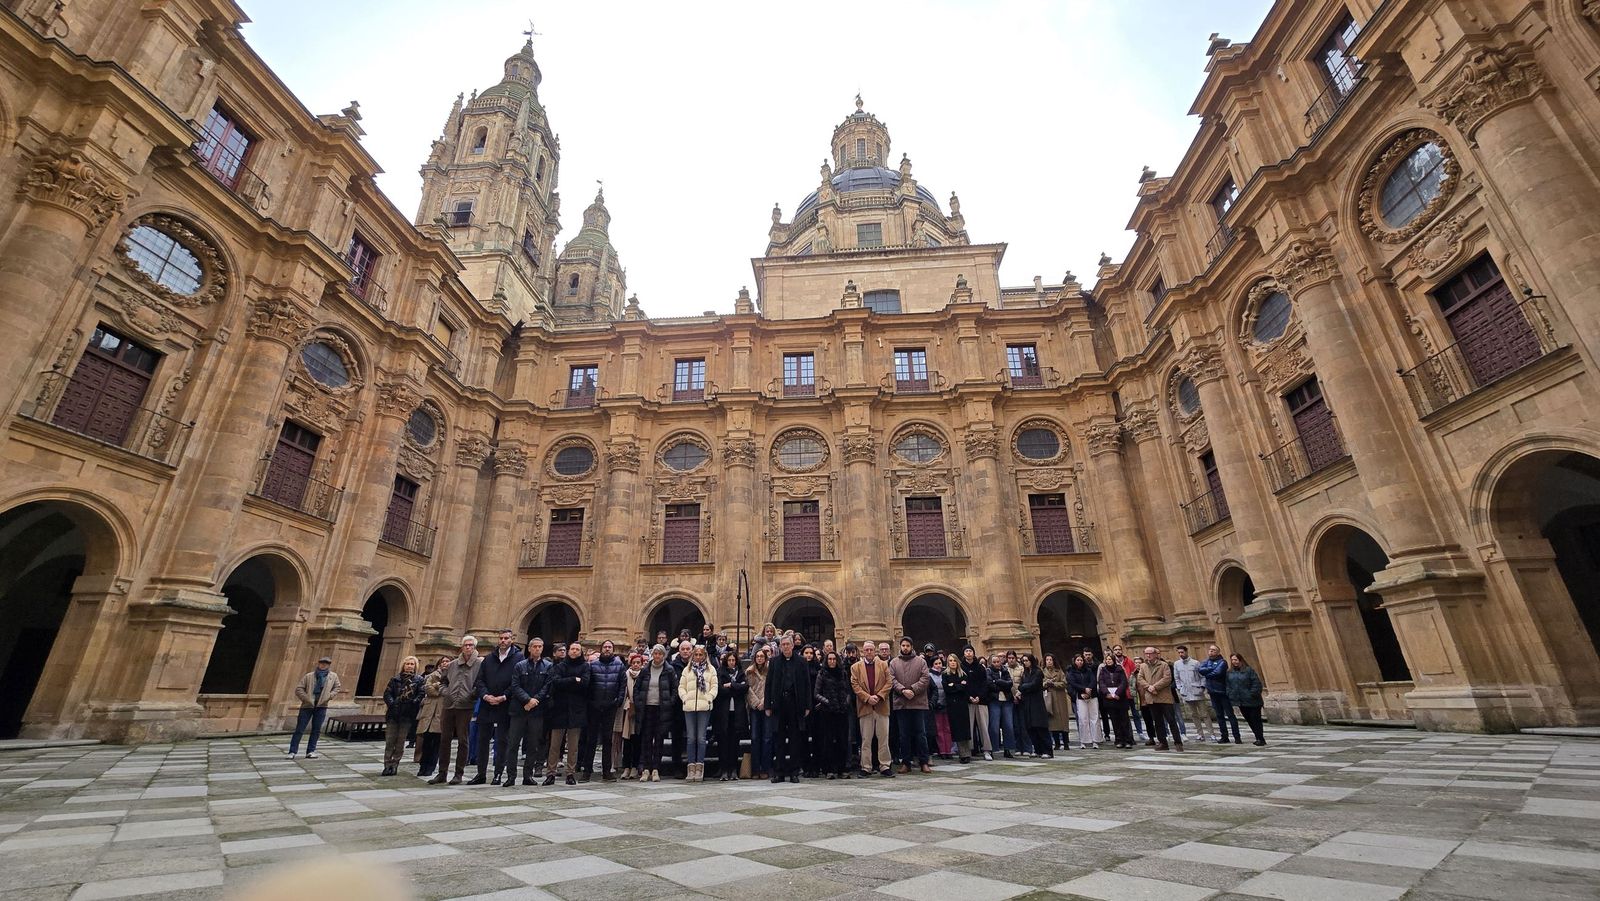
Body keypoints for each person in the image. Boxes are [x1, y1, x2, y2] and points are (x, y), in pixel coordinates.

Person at [470, 630, 524, 785]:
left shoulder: (519, 658)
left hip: (505, 704)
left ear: (512, 640)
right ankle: (480, 773)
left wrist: (504, 696)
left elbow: (517, 681)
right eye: (500, 638)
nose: (503, 641)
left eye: (506, 638)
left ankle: (498, 773)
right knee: (482, 740)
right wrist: (486, 696)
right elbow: (480, 680)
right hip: (487, 704)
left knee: (502, 741)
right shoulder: (488, 658)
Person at [430, 636, 482, 784]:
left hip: (466, 706)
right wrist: (445, 692)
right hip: (449, 704)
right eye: (465, 645)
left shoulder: (479, 664)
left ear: (474, 647)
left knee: (463, 740)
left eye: (471, 645)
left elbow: (480, 683)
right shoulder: (452, 665)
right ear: (461, 647)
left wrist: (472, 695)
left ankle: (459, 773)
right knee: (444, 739)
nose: (468, 647)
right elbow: (443, 682)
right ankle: (442, 773)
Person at [765, 634, 813, 783]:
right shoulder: (774, 662)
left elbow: (807, 684)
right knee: (778, 739)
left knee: (795, 739)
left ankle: (793, 772)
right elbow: (769, 684)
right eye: (783, 644)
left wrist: (807, 705)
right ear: (780, 646)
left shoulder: (801, 661)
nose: (785, 647)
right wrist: (767, 705)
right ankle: (779, 772)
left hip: (795, 704)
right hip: (778, 705)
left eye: (788, 644)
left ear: (792, 646)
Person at [576, 639, 626, 783]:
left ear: (613, 649)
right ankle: (587, 771)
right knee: (591, 739)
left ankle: (606, 772)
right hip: (594, 706)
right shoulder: (593, 665)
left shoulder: (619, 665)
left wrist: (618, 700)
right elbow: (588, 685)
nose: (607, 649)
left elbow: (622, 685)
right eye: (605, 647)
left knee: (607, 740)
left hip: (610, 706)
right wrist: (590, 701)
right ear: (601, 649)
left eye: (610, 647)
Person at [543, 641, 590, 785]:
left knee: (573, 746)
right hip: (559, 709)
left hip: (576, 710)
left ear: (581, 652)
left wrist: (568, 683)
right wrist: (573, 680)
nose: (574, 651)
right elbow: (556, 682)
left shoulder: (585, 667)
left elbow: (585, 684)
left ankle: (570, 773)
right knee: (555, 745)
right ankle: (550, 773)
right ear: (568, 651)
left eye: (577, 649)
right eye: (572, 649)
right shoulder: (560, 666)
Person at [506, 642, 553, 785]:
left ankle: (528, 775)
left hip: (537, 711)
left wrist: (534, 701)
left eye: (540, 647)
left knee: (533, 745)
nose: (537, 649)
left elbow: (547, 686)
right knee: (513, 744)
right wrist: (527, 700)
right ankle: (511, 776)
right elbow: (515, 685)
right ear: (530, 648)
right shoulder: (520, 666)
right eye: (535, 646)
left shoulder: (548, 666)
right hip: (519, 710)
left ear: (543, 648)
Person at [889, 638, 932, 774]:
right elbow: (891, 679)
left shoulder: (921, 661)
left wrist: (913, 690)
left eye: (907, 645)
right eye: (903, 645)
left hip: (918, 702)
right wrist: (902, 690)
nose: (905, 648)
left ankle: (923, 762)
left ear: (912, 646)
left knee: (921, 734)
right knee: (903, 735)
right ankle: (906, 762)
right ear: (900, 646)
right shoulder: (894, 662)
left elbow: (925, 678)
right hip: (902, 703)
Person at [849, 640, 891, 777]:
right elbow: (855, 685)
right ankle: (866, 766)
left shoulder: (884, 665)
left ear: (875, 651)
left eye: (871, 650)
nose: (869, 652)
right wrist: (867, 697)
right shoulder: (855, 667)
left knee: (883, 738)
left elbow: (889, 682)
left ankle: (885, 765)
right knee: (866, 739)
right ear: (862, 652)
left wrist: (879, 696)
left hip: (881, 706)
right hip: (865, 707)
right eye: (866, 650)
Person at [634, 644, 675, 782]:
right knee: (646, 739)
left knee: (659, 739)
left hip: (661, 709)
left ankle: (656, 769)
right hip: (646, 708)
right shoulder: (645, 670)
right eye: (655, 654)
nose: (657, 656)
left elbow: (674, 688)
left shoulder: (669, 670)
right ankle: (646, 769)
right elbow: (637, 688)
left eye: (660, 654)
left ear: (663, 655)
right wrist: (639, 702)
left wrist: (670, 702)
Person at [287, 656, 342, 760]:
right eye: (322, 663)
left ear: (329, 665)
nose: (323, 665)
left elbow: (337, 687)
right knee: (299, 729)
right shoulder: (309, 676)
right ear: (318, 663)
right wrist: (306, 698)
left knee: (316, 730)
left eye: (326, 663)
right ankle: (292, 751)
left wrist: (329, 696)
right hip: (307, 706)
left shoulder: (333, 676)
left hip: (321, 706)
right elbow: (299, 689)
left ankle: (311, 751)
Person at [677, 644, 718, 782]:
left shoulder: (711, 669)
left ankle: (700, 766)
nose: (698, 657)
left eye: (701, 655)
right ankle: (691, 767)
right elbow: (681, 687)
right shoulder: (687, 670)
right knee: (691, 738)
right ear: (693, 656)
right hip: (689, 707)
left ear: (705, 656)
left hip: (704, 707)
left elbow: (714, 687)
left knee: (701, 738)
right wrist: (684, 698)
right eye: (696, 654)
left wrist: (709, 698)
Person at [811, 649, 852, 779]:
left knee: (842, 740)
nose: (832, 661)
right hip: (827, 712)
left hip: (842, 711)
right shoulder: (822, 674)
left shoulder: (843, 673)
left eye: (834, 659)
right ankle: (829, 769)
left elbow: (848, 691)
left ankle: (842, 769)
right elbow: (816, 693)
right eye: (829, 659)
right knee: (828, 741)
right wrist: (828, 702)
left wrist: (845, 702)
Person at [380, 656, 424, 776]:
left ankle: (395, 765)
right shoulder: (395, 679)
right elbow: (387, 693)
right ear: (403, 665)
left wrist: (413, 702)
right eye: (407, 664)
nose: (409, 666)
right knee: (389, 741)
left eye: (412, 664)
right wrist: (392, 703)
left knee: (400, 742)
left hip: (407, 715)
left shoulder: (419, 680)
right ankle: (386, 765)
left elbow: (421, 694)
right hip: (393, 714)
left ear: (415, 666)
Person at [1136, 646, 1183, 751]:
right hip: (1151, 697)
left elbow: (1167, 678)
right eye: (1146, 653)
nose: (1148, 655)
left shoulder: (1164, 665)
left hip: (1164, 697)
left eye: (1150, 653)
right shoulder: (1143, 666)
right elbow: (1140, 678)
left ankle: (1178, 742)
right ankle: (1162, 742)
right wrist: (1148, 687)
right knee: (1157, 721)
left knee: (1171, 720)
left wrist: (1155, 687)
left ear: (1155, 654)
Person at [710, 649, 747, 781]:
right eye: (729, 660)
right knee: (723, 742)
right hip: (723, 713)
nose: (732, 662)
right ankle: (724, 769)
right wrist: (736, 687)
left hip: (737, 713)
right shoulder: (720, 672)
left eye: (733, 660)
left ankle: (733, 770)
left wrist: (731, 685)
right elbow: (719, 689)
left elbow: (745, 688)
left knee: (734, 743)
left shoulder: (741, 673)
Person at [1171, 645, 1212, 743]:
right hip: (1186, 692)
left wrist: (1202, 687)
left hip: (1197, 690)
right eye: (1179, 652)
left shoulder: (1195, 663)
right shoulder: (1177, 664)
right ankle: (1200, 733)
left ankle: (1211, 734)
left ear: (1186, 652)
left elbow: (1202, 676)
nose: (1181, 654)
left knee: (1204, 714)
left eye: (1182, 652)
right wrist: (1180, 688)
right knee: (1194, 714)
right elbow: (1177, 678)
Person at [415, 657, 448, 777]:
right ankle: (423, 766)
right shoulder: (431, 675)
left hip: (441, 711)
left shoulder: (451, 676)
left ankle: (431, 767)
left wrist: (436, 687)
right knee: (426, 740)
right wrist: (440, 686)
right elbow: (428, 690)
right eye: (443, 661)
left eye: (447, 661)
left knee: (437, 742)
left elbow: (448, 691)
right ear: (439, 664)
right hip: (429, 711)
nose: (445, 663)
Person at [1198, 644, 1238, 743]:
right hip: (1212, 692)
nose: (1211, 651)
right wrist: (1210, 671)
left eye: (1213, 650)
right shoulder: (1206, 662)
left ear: (1218, 652)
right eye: (1210, 650)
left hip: (1222, 691)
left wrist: (1207, 673)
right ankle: (1224, 736)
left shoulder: (1222, 662)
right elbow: (1200, 670)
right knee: (1219, 715)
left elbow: (1218, 673)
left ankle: (1237, 736)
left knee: (1230, 715)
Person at [1016, 653, 1052, 758]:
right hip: (1027, 701)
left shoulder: (1038, 672)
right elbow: (1021, 685)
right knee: (1031, 727)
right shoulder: (1025, 673)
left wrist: (1023, 688)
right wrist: (1023, 687)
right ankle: (1037, 750)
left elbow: (1034, 685)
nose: (1025, 663)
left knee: (1040, 726)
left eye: (1027, 660)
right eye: (1024, 661)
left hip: (1037, 702)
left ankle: (1047, 750)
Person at [1227, 653, 1266, 745]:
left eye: (1236, 660)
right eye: (1232, 660)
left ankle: (1260, 738)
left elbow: (1256, 683)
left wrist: (1252, 694)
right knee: (1249, 720)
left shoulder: (1248, 670)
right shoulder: (1229, 672)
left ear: (1240, 660)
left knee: (1255, 720)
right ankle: (1258, 737)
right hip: (1240, 701)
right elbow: (1228, 685)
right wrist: (1230, 694)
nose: (1234, 662)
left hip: (1253, 700)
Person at [941, 652, 974, 762]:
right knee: (957, 729)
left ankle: (967, 753)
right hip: (952, 705)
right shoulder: (945, 674)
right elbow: (947, 689)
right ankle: (962, 754)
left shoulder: (963, 674)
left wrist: (954, 686)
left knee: (965, 729)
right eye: (950, 660)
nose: (953, 662)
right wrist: (958, 686)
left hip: (962, 704)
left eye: (954, 660)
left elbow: (965, 688)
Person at [745, 647, 772, 779]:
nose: (760, 658)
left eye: (762, 656)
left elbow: (771, 687)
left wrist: (764, 702)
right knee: (755, 738)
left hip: (766, 706)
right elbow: (748, 689)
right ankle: (755, 769)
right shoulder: (749, 671)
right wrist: (756, 703)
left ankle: (765, 768)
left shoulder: (770, 671)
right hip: (754, 708)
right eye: (758, 656)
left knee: (767, 738)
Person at [1097, 651, 1134, 749]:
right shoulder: (1103, 670)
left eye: (1110, 659)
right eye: (1107, 659)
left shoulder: (1119, 669)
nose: (1108, 661)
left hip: (1120, 698)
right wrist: (1107, 693)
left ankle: (1128, 740)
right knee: (1115, 720)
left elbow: (1124, 682)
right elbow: (1101, 683)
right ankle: (1119, 739)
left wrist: (1117, 693)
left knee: (1124, 720)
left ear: (1113, 660)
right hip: (1109, 699)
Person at [618, 651, 645, 780]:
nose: (635, 665)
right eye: (634, 662)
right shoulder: (625, 675)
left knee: (637, 740)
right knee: (627, 740)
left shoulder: (645, 675)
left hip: (639, 710)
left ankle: (635, 766)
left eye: (638, 663)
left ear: (642, 664)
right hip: (627, 709)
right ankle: (626, 767)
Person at [984, 653, 1016, 758]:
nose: (997, 664)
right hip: (994, 700)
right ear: (990, 663)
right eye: (994, 662)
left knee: (1008, 725)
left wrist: (997, 681)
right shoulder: (988, 671)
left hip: (1007, 700)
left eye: (998, 661)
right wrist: (1001, 685)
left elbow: (1010, 683)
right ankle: (993, 748)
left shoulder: (1005, 670)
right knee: (994, 726)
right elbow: (990, 685)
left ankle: (1008, 748)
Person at [961, 646, 989, 758]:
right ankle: (970, 749)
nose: (968, 653)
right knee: (969, 726)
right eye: (966, 651)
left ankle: (987, 749)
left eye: (970, 651)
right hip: (968, 701)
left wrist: (979, 697)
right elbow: (962, 684)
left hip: (981, 701)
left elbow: (984, 683)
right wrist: (969, 697)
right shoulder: (961, 667)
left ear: (973, 653)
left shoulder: (980, 667)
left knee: (984, 727)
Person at [1066, 653, 1099, 749]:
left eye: (1081, 660)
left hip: (1092, 695)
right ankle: (1084, 740)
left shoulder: (1088, 670)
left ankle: (1095, 740)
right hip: (1080, 696)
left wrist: (1089, 689)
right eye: (1078, 660)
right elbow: (1073, 683)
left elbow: (1093, 680)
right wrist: (1083, 690)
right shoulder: (1071, 672)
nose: (1080, 662)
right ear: (1074, 661)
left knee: (1094, 718)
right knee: (1083, 719)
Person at [1042, 654, 1070, 751]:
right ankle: (1057, 743)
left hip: (1060, 697)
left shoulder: (1059, 671)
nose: (1049, 661)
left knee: (1063, 721)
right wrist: (1046, 683)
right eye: (1047, 660)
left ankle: (1066, 743)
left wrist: (1054, 683)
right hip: (1049, 698)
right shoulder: (1042, 672)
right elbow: (1040, 683)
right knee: (1053, 722)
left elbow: (1064, 683)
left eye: (1051, 660)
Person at [930, 655, 951, 758]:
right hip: (936, 704)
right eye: (936, 664)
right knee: (939, 729)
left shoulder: (946, 674)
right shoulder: (930, 675)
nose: (938, 666)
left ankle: (949, 750)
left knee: (947, 728)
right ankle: (942, 750)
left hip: (946, 703)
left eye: (940, 663)